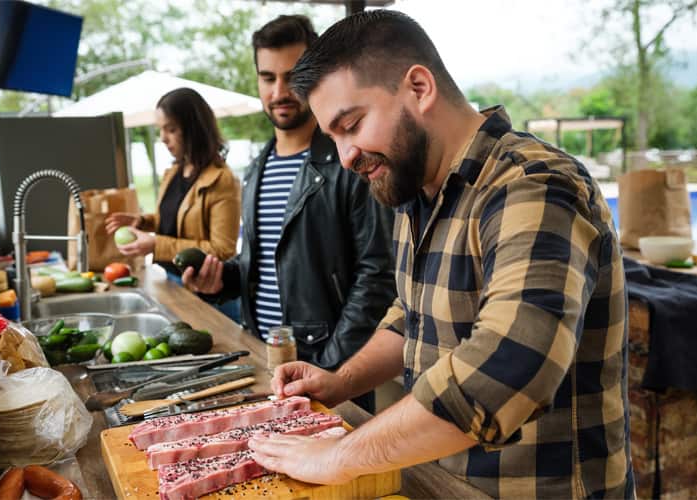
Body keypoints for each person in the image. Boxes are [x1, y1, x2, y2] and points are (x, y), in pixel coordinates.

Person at [246, 10, 634, 499]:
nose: (345, 156)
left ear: (419, 88)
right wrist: (340, 382)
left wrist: (338, 456)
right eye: (334, 138)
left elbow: (507, 366)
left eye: (352, 124)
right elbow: (412, 318)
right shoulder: (416, 192)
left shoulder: (532, 185)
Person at [182, 15, 396, 411]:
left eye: (293, 75)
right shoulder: (256, 166)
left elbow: (379, 277)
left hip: (331, 368)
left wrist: (331, 369)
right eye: (267, 77)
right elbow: (267, 263)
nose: (280, 90)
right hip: (263, 360)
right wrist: (223, 281)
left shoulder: (350, 161)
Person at [106, 87, 241, 278]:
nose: (162, 138)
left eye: (171, 129)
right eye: (160, 129)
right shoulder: (174, 172)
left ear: (194, 129)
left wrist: (155, 244)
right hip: (172, 278)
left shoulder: (223, 180)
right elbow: (177, 220)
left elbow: (222, 251)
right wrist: (143, 221)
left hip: (207, 291)